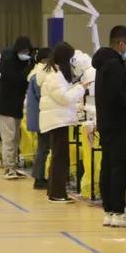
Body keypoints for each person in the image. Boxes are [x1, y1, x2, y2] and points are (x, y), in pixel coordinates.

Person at [94, 24, 126, 228]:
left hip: (106, 121)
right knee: (120, 166)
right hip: (116, 123)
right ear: (121, 43)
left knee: (108, 165)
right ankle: (118, 212)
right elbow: (118, 96)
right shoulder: (113, 64)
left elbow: (118, 87)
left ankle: (109, 211)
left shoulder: (106, 62)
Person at [37, 42, 84, 203]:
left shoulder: (54, 73)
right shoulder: (55, 75)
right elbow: (64, 99)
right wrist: (81, 88)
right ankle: (57, 193)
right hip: (57, 120)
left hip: (58, 119)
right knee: (60, 157)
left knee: (58, 156)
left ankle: (54, 190)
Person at [0, 36, 35, 180]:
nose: (26, 54)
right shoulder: (8, 64)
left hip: (16, 104)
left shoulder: (23, 63)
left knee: (16, 138)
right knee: (9, 137)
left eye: (27, 51)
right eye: (23, 51)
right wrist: (30, 67)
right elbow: (18, 78)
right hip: (6, 104)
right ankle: (8, 167)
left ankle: (13, 165)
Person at [25, 48, 52, 189]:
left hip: (39, 117)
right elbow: (44, 96)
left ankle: (39, 176)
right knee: (43, 148)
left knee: (43, 147)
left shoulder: (35, 73)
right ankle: (39, 178)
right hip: (42, 118)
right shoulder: (40, 75)